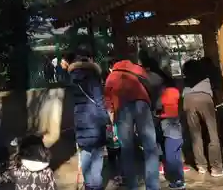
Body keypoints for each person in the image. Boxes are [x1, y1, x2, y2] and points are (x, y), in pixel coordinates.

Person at [104, 57, 160, 190]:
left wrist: (111, 118)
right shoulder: (137, 69)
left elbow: (107, 100)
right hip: (142, 105)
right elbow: (151, 84)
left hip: (122, 108)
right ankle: (153, 186)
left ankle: (132, 186)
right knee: (150, 146)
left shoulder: (112, 76)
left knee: (127, 149)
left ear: (112, 66)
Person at [68, 46, 108, 190]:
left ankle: (89, 184)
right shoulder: (93, 75)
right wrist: (106, 119)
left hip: (79, 117)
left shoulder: (72, 76)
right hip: (94, 117)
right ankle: (96, 184)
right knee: (97, 153)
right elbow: (99, 99)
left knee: (85, 151)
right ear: (89, 58)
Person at [182, 57, 223, 177]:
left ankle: (201, 166)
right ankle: (216, 167)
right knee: (213, 134)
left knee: (196, 135)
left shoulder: (186, 79)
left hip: (188, 99)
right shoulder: (206, 74)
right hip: (204, 99)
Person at [159, 77, 186, 189]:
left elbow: (159, 108)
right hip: (178, 128)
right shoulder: (178, 92)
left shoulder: (164, 94)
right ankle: (180, 179)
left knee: (170, 156)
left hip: (170, 129)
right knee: (177, 156)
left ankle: (177, 180)